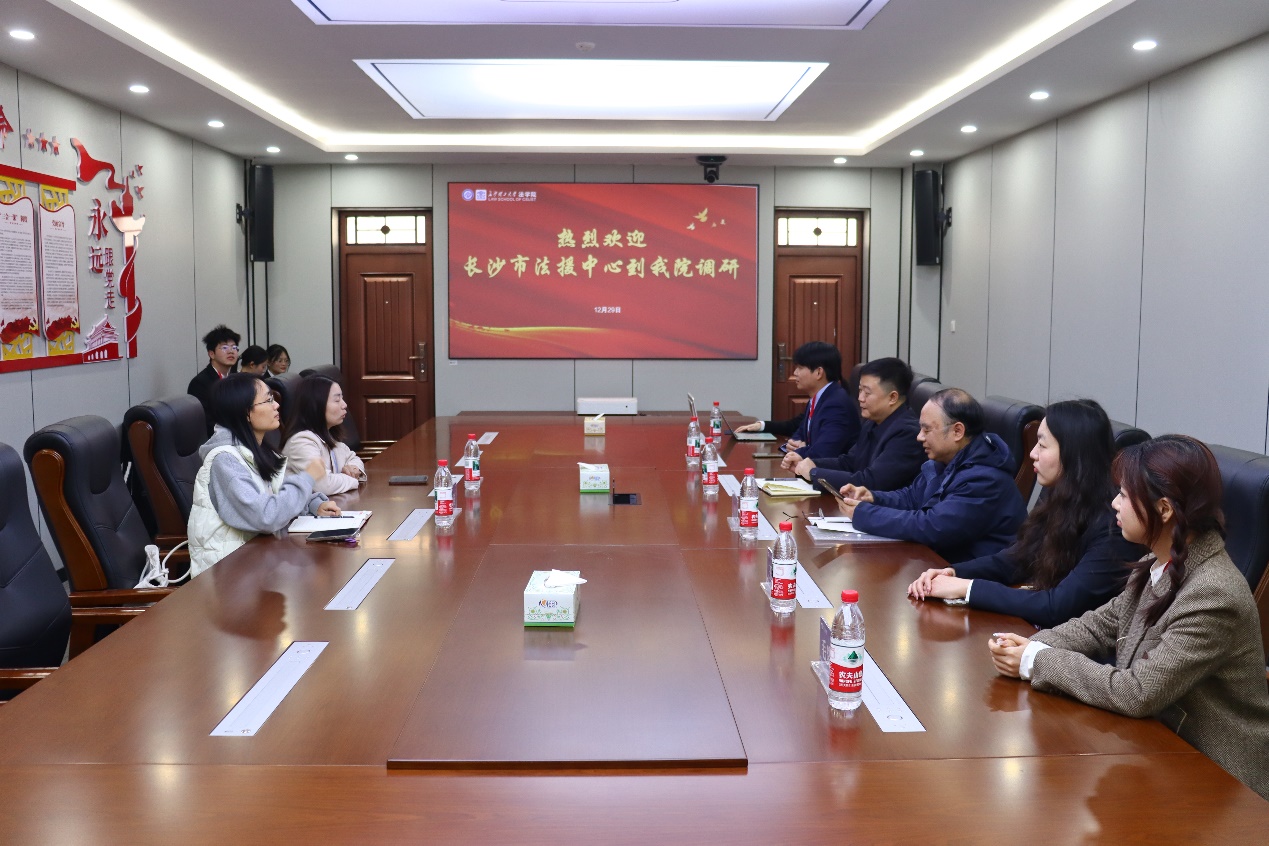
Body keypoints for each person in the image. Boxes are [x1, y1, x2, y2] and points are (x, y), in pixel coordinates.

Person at [989, 435, 1269, 800]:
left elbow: (1138, 692)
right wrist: (1031, 646)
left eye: (1123, 494)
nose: (1114, 503)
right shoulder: (1158, 562)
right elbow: (1100, 625)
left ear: (1164, 509)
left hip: (1221, 785)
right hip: (1156, 749)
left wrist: (1036, 660)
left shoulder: (1213, 594)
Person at [908, 399, 1144, 628]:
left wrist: (966, 588)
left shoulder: (1114, 524)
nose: (1032, 453)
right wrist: (954, 572)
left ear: (1073, 453)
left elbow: (1057, 606)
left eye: (1042, 445)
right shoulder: (1064, 497)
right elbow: (1018, 559)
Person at [837, 388, 1026, 564]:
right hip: (938, 565)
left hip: (971, 576)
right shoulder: (944, 462)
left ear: (957, 431)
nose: (919, 437)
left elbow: (933, 527)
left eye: (927, 430)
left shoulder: (985, 478)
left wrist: (865, 514)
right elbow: (911, 498)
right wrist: (873, 498)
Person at [187, 374, 339, 577]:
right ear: (245, 412)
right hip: (227, 576)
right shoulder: (225, 461)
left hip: (257, 561)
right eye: (268, 400)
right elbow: (265, 516)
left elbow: (278, 493)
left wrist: (313, 504)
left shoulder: (259, 450)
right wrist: (307, 477)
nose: (276, 405)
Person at [784, 356, 925, 493]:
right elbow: (849, 462)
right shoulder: (873, 422)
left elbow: (871, 482)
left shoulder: (907, 433)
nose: (860, 398)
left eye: (867, 393)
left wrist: (814, 473)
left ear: (892, 397)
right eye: (860, 390)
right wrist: (809, 463)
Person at [734, 340, 860, 459]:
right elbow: (799, 432)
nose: (795, 373)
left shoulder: (836, 404)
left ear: (818, 373)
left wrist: (800, 450)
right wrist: (792, 444)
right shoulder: (820, 397)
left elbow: (824, 452)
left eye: (800, 368)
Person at [281, 375, 367, 495]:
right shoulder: (301, 441)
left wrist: (353, 468)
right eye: (337, 400)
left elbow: (353, 458)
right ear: (316, 405)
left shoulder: (328, 434)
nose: (344, 405)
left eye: (342, 398)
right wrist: (352, 479)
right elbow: (323, 485)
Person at [188, 325, 240, 435]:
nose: (231, 351)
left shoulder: (236, 378)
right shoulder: (200, 383)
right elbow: (206, 422)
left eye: (234, 347)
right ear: (211, 353)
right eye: (225, 348)